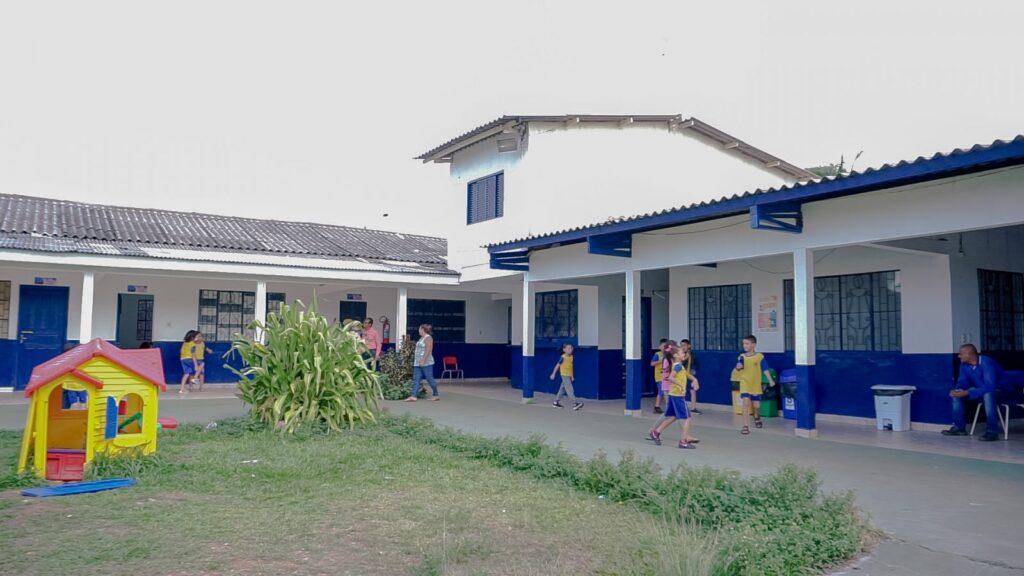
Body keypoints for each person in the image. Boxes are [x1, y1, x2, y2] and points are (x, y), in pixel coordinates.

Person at [942, 344, 1015, 441]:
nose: (959, 356)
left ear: (970, 354)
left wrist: (968, 393)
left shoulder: (986, 362)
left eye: (961, 353)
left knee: (988, 394)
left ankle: (992, 432)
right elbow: (963, 382)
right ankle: (959, 428)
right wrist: (958, 390)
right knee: (957, 394)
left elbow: (990, 386)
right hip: (983, 389)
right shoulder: (964, 365)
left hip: (1003, 391)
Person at [646, 346, 700, 449]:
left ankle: (656, 432)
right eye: (682, 352)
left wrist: (694, 380)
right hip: (678, 396)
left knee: (674, 416)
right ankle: (683, 441)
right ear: (675, 355)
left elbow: (686, 374)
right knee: (687, 418)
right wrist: (680, 386)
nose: (684, 354)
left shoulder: (678, 366)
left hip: (673, 394)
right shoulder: (678, 366)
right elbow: (670, 377)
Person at [735, 335, 776, 435]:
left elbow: (765, 369)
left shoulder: (759, 357)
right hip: (745, 383)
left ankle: (756, 416)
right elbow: (738, 367)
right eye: (743, 344)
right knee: (745, 403)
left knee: (756, 405)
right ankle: (745, 426)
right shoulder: (741, 356)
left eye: (747, 343)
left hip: (755, 384)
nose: (745, 346)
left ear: (753, 345)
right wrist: (738, 366)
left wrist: (770, 380)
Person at [406, 324, 440, 402]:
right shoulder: (421, 338)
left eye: (419, 329)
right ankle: (413, 396)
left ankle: (436, 395)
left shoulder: (428, 338)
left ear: (422, 330)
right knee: (416, 379)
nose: (418, 330)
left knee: (429, 378)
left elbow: (428, 350)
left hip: (426, 363)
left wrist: (423, 360)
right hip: (417, 362)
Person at [549, 342, 584, 410]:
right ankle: (575, 403)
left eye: (571, 348)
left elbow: (571, 367)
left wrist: (572, 376)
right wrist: (553, 374)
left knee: (562, 389)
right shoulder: (563, 357)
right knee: (570, 389)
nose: (570, 349)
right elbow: (557, 365)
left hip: (568, 375)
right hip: (564, 375)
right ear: (564, 350)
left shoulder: (571, 357)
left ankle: (556, 402)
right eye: (568, 348)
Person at [680, 339, 701, 414]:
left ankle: (693, 408)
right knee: (681, 391)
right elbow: (679, 364)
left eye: (684, 345)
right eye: (681, 346)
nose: (683, 347)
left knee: (693, 391)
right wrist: (685, 357)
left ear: (689, 346)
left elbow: (697, 364)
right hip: (682, 376)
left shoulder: (693, 355)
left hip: (690, 376)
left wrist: (694, 370)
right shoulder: (681, 355)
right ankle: (681, 407)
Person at [651, 339, 668, 414]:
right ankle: (657, 406)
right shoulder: (657, 354)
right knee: (661, 391)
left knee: (666, 391)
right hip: (659, 376)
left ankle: (667, 406)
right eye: (663, 346)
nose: (664, 348)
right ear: (659, 347)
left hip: (667, 376)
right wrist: (660, 361)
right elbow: (652, 363)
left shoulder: (669, 355)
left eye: (666, 346)